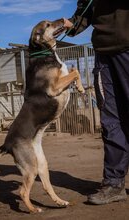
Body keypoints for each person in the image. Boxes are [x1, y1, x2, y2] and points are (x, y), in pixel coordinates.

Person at [63, 0, 129, 205]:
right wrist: (70, 25)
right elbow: (84, 12)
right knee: (111, 120)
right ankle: (114, 183)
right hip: (103, 54)